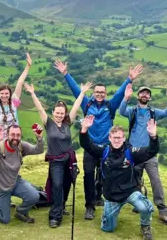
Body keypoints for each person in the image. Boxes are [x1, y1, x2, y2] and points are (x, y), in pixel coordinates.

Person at [54, 59, 143, 220]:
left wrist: (130, 79)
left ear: (105, 93)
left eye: (102, 92)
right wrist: (66, 74)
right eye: (97, 92)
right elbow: (76, 91)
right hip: (90, 147)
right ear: (93, 93)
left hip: (107, 148)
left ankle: (99, 197)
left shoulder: (111, 105)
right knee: (88, 175)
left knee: (105, 175)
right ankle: (90, 206)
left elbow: (119, 94)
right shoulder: (87, 104)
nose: (100, 94)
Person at [24, 81, 93, 228]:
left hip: (69, 159)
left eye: (62, 113)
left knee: (67, 184)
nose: (59, 115)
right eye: (57, 113)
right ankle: (55, 216)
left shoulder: (68, 122)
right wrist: (32, 93)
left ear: (65, 114)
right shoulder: (48, 123)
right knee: (57, 184)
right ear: (53, 112)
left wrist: (82, 93)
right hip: (55, 161)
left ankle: (61, 206)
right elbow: (40, 109)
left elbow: (75, 107)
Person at [79, 115, 160, 240]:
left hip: (130, 191)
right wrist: (84, 130)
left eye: (119, 138)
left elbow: (151, 151)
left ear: (124, 139)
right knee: (107, 229)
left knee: (145, 208)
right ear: (109, 138)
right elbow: (87, 145)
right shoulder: (103, 151)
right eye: (114, 138)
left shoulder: (131, 152)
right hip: (112, 196)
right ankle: (108, 216)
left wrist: (153, 137)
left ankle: (145, 226)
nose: (117, 140)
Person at [119, 84, 167, 226]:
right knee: (135, 180)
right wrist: (126, 98)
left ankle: (163, 211)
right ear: (138, 96)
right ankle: (139, 204)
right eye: (142, 93)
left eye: (147, 94)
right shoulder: (132, 111)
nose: (145, 95)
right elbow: (121, 111)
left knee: (155, 181)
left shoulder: (153, 112)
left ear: (149, 97)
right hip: (134, 152)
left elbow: (166, 113)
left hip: (149, 153)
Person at [0, 124, 45, 224]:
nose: (15, 137)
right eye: (12, 134)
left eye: (18, 135)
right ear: (7, 135)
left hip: (15, 182)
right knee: (4, 219)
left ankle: (21, 212)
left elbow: (38, 150)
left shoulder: (21, 146)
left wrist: (39, 137)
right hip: (0, 187)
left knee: (34, 196)